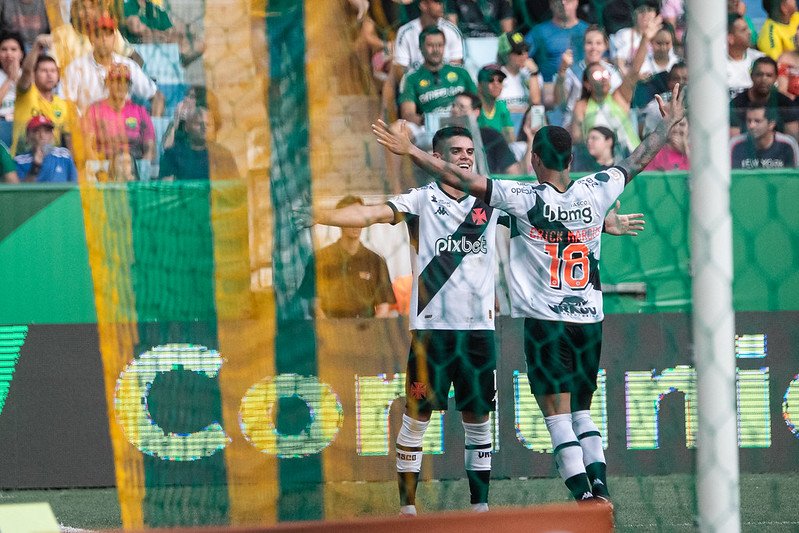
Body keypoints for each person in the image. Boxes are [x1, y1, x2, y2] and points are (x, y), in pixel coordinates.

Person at [371, 82, 682, 505]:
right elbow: (638, 158)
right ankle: (601, 488)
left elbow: (460, 177)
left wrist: (413, 152)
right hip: (590, 319)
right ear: (572, 159)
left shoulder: (523, 196)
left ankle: (584, 498)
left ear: (534, 160)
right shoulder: (599, 189)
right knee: (583, 411)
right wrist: (665, 128)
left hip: (546, 321)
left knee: (556, 414)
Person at [298, 195, 396, 318]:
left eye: (361, 217)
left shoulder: (376, 261)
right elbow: (314, 304)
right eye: (351, 217)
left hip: (366, 330)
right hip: (331, 332)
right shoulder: (320, 259)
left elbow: (384, 306)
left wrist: (370, 332)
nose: (357, 222)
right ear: (340, 220)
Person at [64, 13, 164, 115]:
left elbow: (157, 97)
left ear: (114, 38)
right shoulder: (75, 68)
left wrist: (155, 123)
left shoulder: (128, 65)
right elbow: (66, 104)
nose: (104, 39)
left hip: (121, 126)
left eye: (108, 34)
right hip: (88, 126)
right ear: (91, 39)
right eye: (98, 34)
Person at [384, 0, 464, 119]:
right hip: (416, 93)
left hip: (447, 96)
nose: (441, 6)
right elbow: (400, 71)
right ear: (423, 5)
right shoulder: (406, 32)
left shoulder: (452, 30)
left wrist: (437, 94)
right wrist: (420, 92)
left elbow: (456, 70)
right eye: (436, 2)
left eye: (442, 2)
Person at [398, 26, 476, 142]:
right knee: (397, 130)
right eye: (430, 45)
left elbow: (477, 102)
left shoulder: (461, 72)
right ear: (420, 47)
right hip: (428, 127)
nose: (436, 50)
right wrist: (429, 121)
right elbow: (408, 113)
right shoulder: (411, 78)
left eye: (440, 45)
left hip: (461, 123)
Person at [83, 62, 155, 179]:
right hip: (104, 165)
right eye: (116, 81)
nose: (120, 86)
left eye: (125, 82)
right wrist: (100, 168)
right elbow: (87, 144)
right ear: (108, 83)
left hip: (133, 167)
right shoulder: (94, 110)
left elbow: (150, 145)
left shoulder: (139, 111)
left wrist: (144, 167)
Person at [11, 35, 78, 156]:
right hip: (23, 158)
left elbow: (69, 139)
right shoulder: (25, 93)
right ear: (34, 75)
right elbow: (26, 71)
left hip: (51, 162)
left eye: (53, 71)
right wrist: (36, 47)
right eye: (44, 71)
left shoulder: (63, 105)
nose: (49, 75)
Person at [553, 25, 623, 129]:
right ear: (583, 45)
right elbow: (560, 103)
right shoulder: (571, 71)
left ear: (605, 46)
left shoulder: (612, 72)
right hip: (576, 123)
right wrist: (562, 71)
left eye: (598, 43)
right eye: (589, 43)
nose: (594, 47)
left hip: (607, 122)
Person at [451, 91, 523, 174]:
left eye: (462, 107)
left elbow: (513, 172)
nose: (455, 110)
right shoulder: (442, 138)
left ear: (476, 112)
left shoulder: (492, 137)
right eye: (453, 106)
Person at [159, 106, 238, 181]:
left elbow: (234, 185)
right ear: (187, 127)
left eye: (208, 125)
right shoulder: (173, 155)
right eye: (199, 124)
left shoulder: (223, 155)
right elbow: (165, 186)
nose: (204, 128)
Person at [730, 56, 799, 139]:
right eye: (759, 74)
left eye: (769, 75)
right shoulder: (737, 104)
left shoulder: (786, 104)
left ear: (776, 78)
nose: (764, 79)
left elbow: (793, 140)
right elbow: (734, 141)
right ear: (751, 76)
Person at [525, 0, 588, 85]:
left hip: (585, 88)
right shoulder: (539, 31)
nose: (563, 3)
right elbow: (520, 55)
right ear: (551, 4)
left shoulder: (588, 31)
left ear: (577, 2)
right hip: (550, 88)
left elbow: (603, 60)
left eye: (568, 1)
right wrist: (531, 68)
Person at [730, 104, 799, 168]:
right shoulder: (735, 144)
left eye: (757, 121)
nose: (751, 126)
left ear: (771, 124)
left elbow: (794, 177)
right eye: (749, 121)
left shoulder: (787, 144)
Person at [14, 115, 78, 182]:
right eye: (36, 131)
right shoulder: (20, 161)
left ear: (52, 135)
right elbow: (22, 191)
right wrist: (36, 166)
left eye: (47, 131)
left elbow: (75, 186)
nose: (42, 135)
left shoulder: (64, 156)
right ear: (28, 136)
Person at [496, 31, 542, 115]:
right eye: (519, 52)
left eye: (526, 50)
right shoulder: (495, 76)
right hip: (505, 123)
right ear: (506, 54)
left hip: (526, 123)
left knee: (538, 114)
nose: (525, 56)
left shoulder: (532, 74)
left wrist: (534, 74)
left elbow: (536, 103)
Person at [609, 4, 657, 75]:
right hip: (629, 78)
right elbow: (619, 62)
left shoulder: (657, 36)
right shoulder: (625, 34)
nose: (645, 15)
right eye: (641, 12)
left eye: (653, 20)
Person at [728, 13, 765, 99]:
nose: (750, 32)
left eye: (748, 28)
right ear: (730, 38)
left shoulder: (760, 59)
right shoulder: (717, 62)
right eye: (743, 30)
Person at [476, 64, 515, 142]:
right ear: (479, 85)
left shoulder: (501, 106)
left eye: (500, 80)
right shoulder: (472, 107)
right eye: (490, 80)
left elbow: (510, 139)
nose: (496, 84)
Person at [445, 0, 514, 38]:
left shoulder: (500, 2)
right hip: (465, 41)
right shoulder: (453, 1)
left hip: (492, 41)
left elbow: (507, 31)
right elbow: (452, 30)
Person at [0, 32, 24, 124]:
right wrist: (9, 79)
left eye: (14, 49)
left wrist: (17, 78)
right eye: (4, 49)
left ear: (21, 54)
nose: (8, 53)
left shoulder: (28, 75)